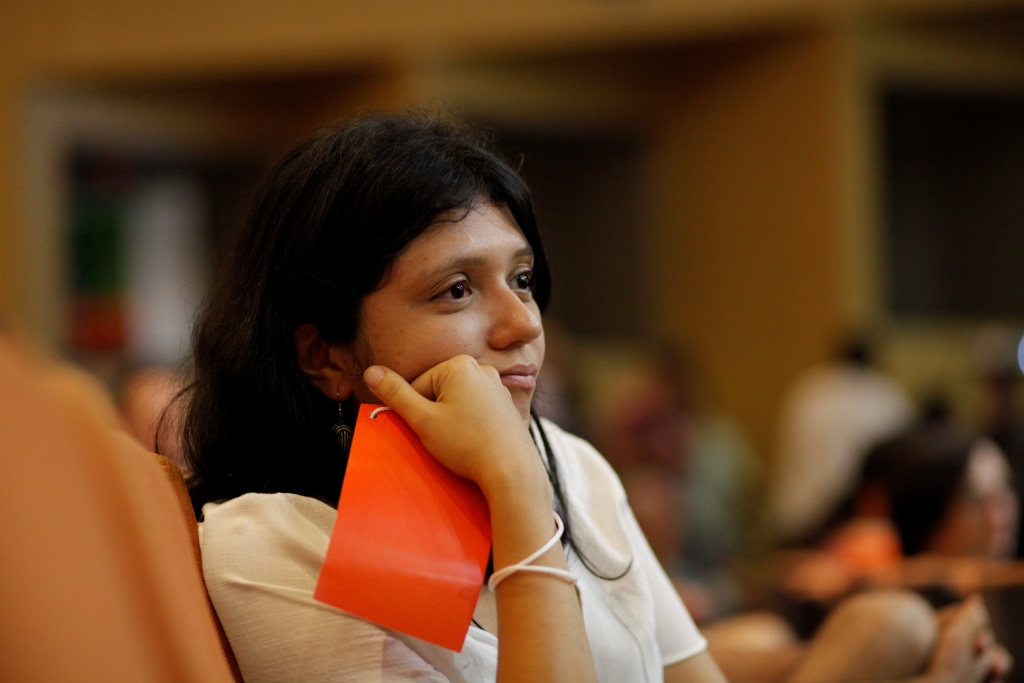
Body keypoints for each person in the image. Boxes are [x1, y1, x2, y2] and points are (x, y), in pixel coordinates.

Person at [184, 114, 1008, 683]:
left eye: (522, 278)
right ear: (324, 356)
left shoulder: (573, 466)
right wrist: (515, 488)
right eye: (456, 290)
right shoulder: (274, 542)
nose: (522, 323)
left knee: (894, 623)